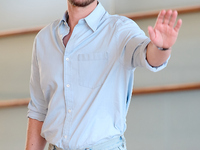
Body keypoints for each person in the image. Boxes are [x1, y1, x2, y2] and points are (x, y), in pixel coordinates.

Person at [25, 0, 182, 150]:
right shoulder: (43, 39)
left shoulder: (120, 29)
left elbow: (147, 55)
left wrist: (161, 48)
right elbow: (39, 109)